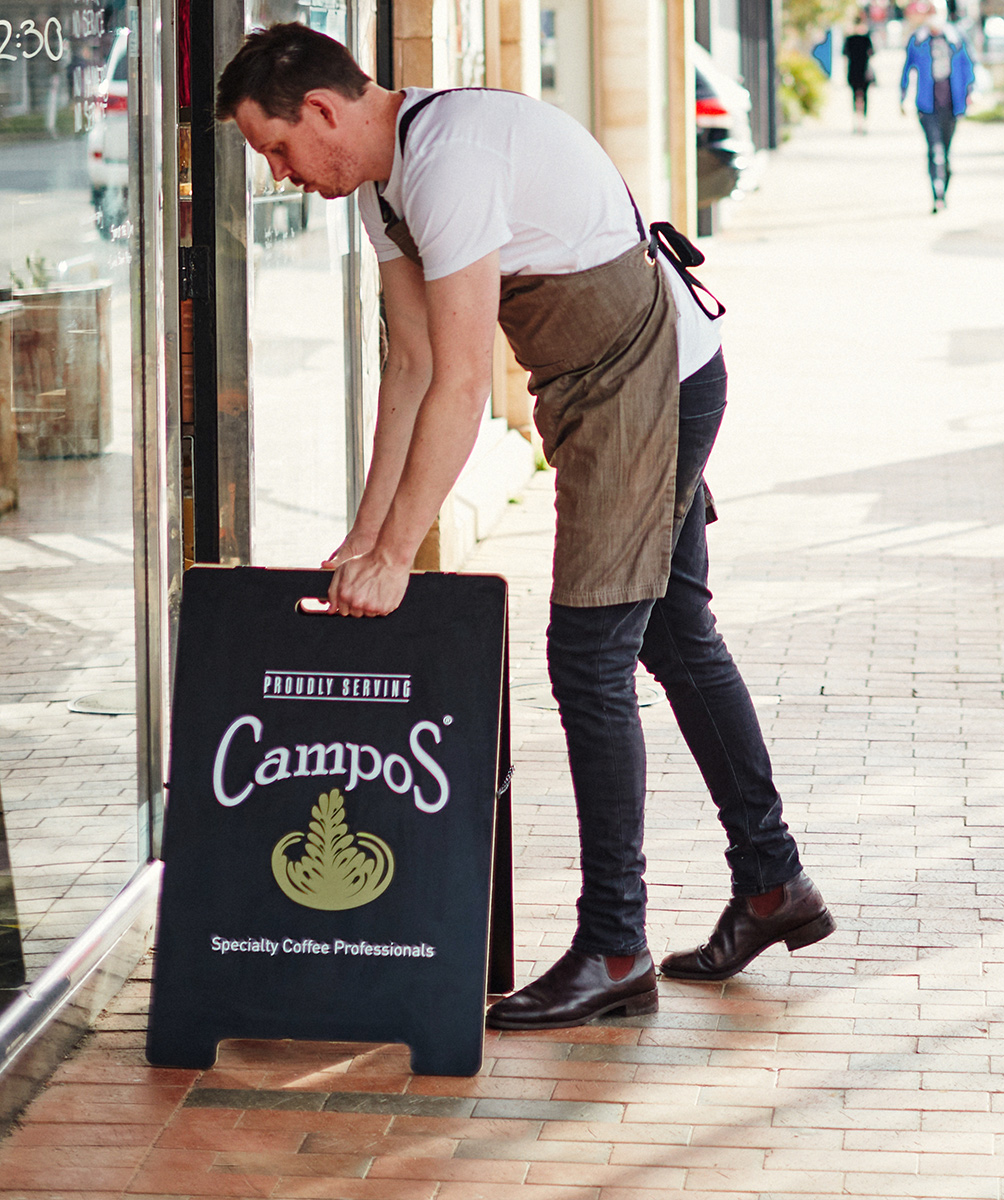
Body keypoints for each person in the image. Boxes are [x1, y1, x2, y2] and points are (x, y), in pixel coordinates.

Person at [214, 23, 834, 1030]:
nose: (282, 174)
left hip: (654, 381)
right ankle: (773, 887)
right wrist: (363, 542)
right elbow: (409, 370)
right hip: (596, 392)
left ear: (322, 111)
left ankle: (614, 946)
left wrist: (401, 560)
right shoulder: (381, 187)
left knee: (589, 654)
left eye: (276, 148)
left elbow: (463, 388)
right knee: (674, 632)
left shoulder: (449, 162)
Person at [900, 5, 974, 212]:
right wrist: (903, 97)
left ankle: (944, 185)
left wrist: (972, 91)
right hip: (927, 105)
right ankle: (937, 192)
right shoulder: (918, 40)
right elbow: (907, 69)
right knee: (935, 150)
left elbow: (969, 66)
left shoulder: (956, 38)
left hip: (952, 104)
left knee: (946, 152)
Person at [842, 17, 875, 135]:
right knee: (865, 98)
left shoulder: (850, 39)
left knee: (854, 98)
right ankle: (862, 122)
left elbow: (845, 55)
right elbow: (872, 54)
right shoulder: (865, 39)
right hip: (863, 72)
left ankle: (858, 123)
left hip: (854, 72)